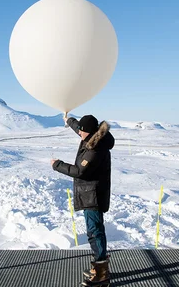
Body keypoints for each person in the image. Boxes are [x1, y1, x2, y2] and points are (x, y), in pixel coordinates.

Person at [51, 114, 114, 286]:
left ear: (90, 132)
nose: (79, 133)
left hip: (93, 196)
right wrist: (69, 120)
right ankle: (99, 267)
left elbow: (80, 171)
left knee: (95, 232)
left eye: (82, 131)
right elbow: (79, 128)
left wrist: (57, 165)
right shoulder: (93, 136)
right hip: (89, 194)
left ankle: (101, 274)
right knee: (93, 231)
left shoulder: (95, 149)